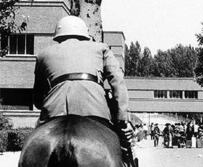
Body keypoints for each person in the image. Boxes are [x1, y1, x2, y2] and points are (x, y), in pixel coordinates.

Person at [33, 16, 134, 164]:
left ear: (58, 35)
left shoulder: (43, 54)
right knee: (124, 147)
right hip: (95, 109)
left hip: (54, 110)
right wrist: (122, 119)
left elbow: (37, 99)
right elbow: (118, 82)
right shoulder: (101, 48)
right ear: (85, 34)